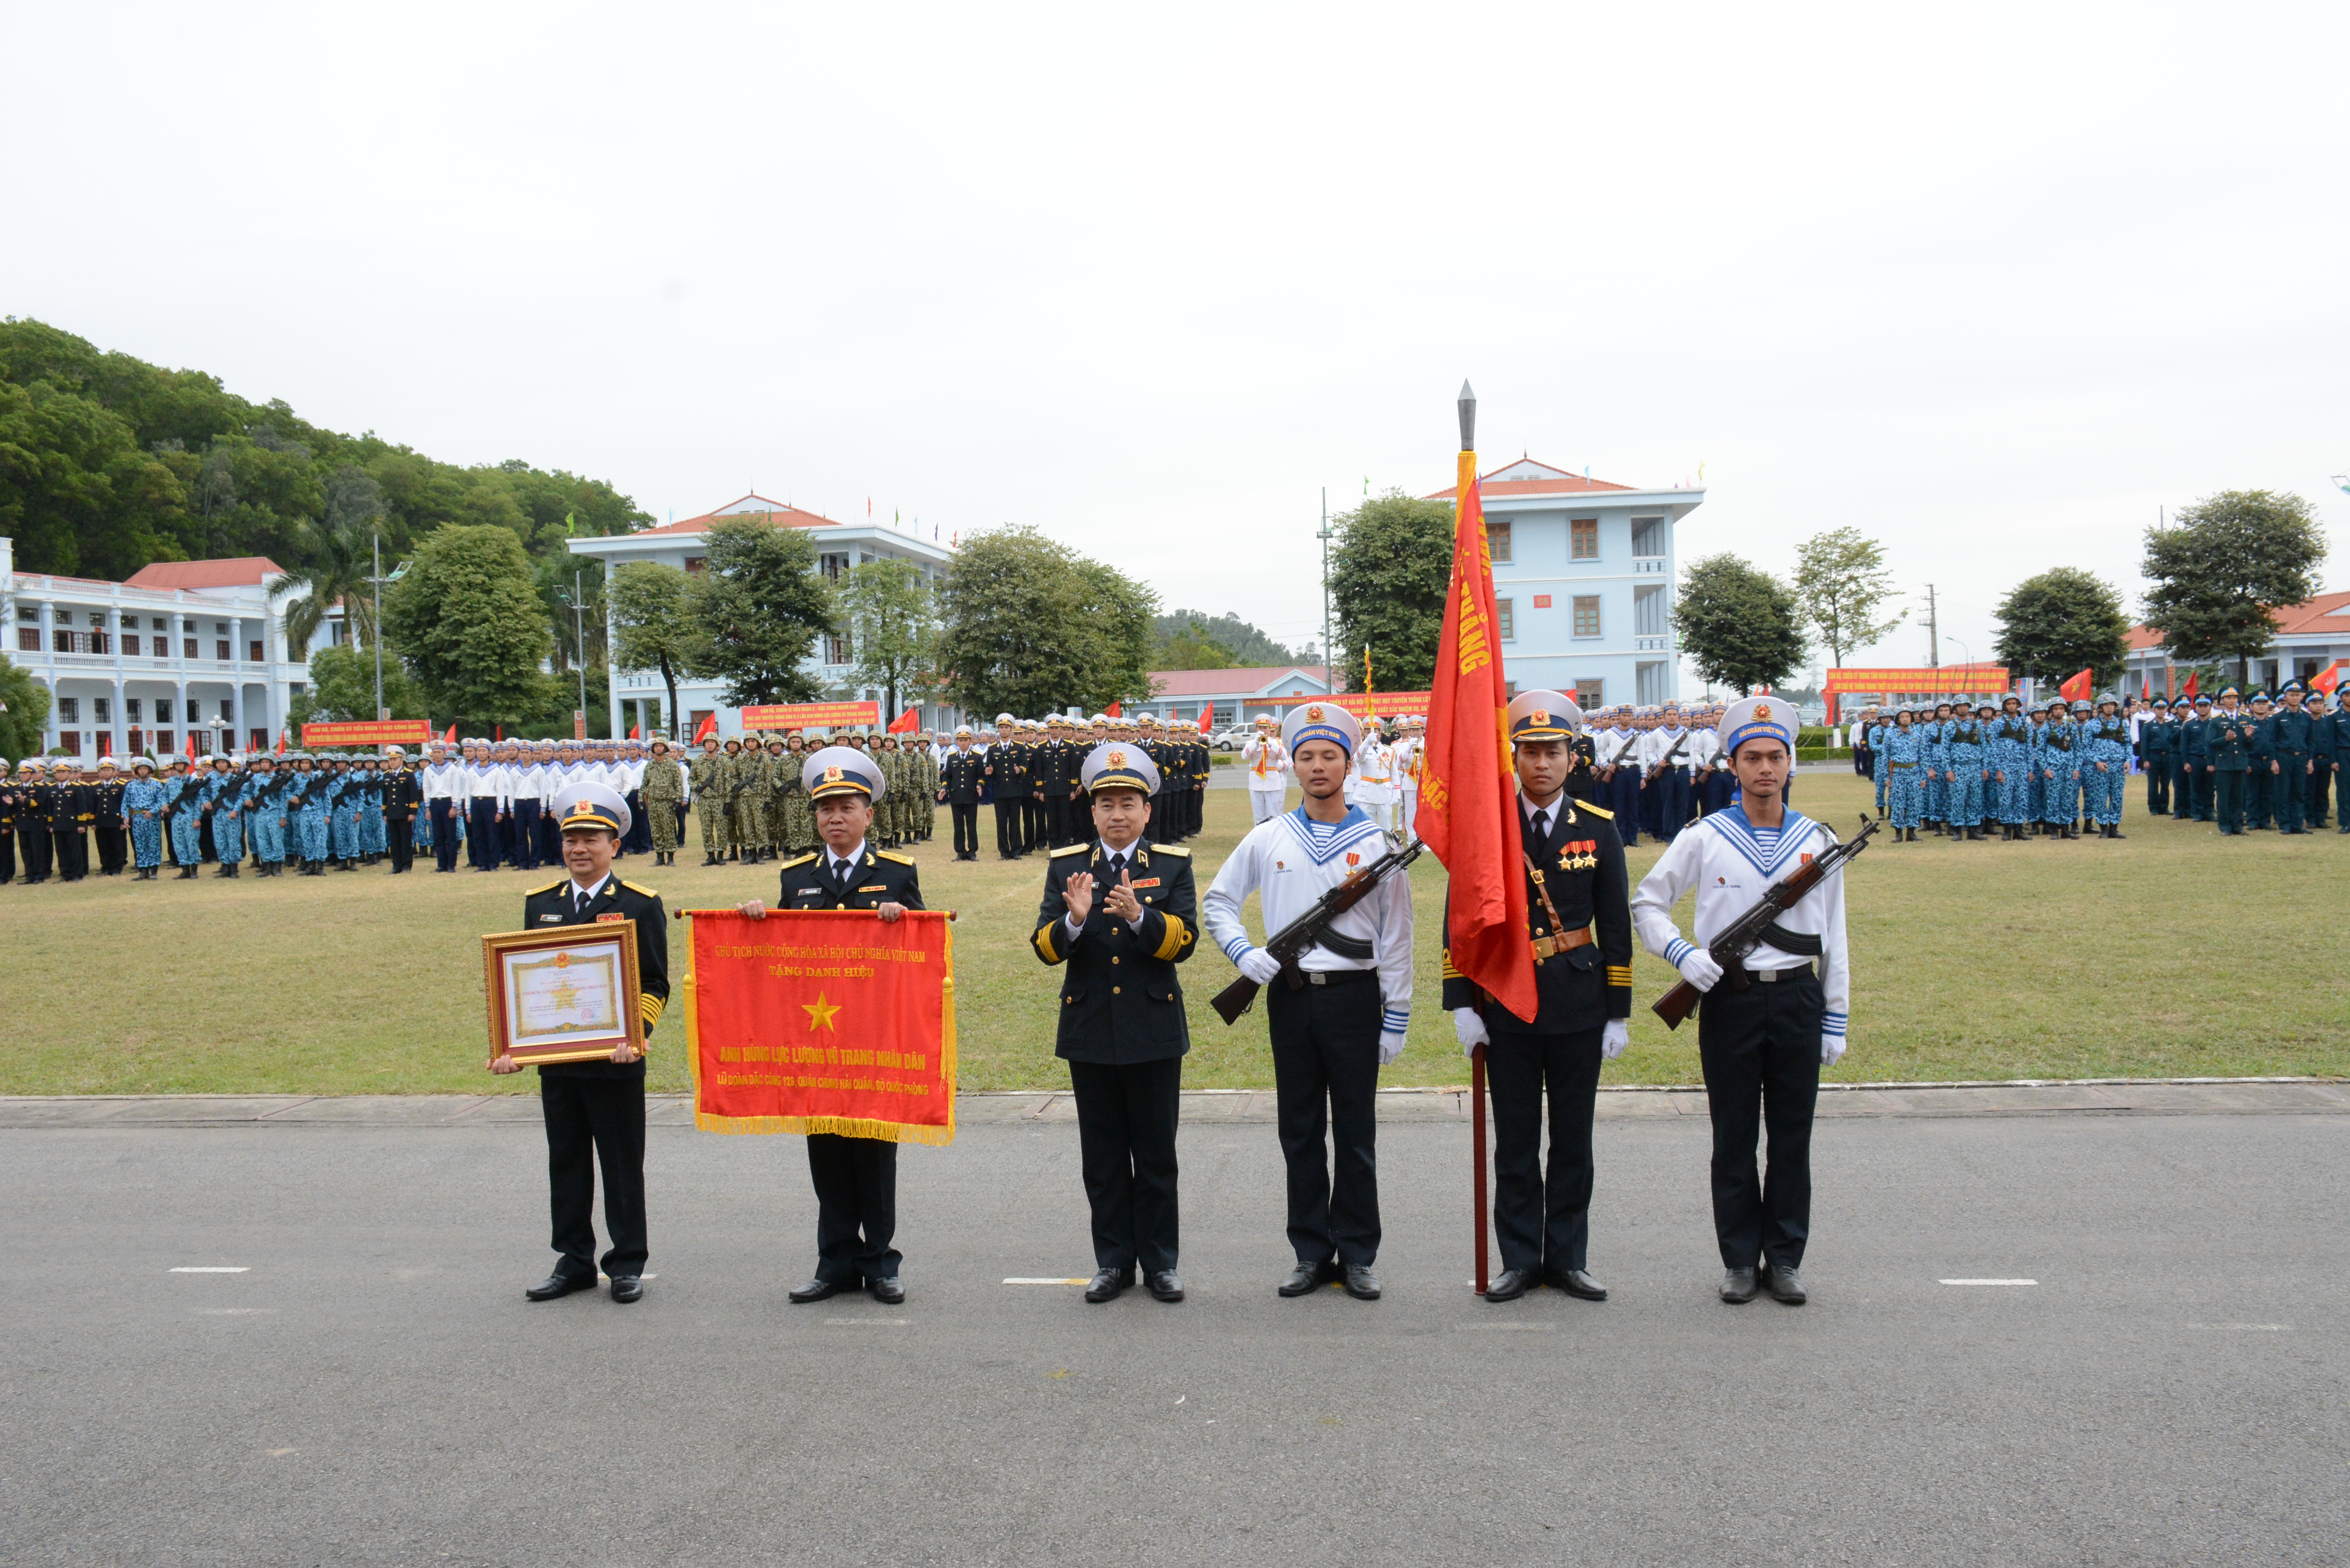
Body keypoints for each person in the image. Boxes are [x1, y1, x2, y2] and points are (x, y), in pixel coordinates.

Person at [1633, 697, 1850, 1306]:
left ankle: (1782, 1260)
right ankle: (1736, 1261)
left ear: (1789, 765)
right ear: (1733, 764)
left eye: (1774, 757)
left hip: (1796, 1000)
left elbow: (1834, 936)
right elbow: (1647, 904)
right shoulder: (1704, 836)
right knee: (1732, 1138)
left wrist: (1834, 1018)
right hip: (1728, 999)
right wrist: (1682, 955)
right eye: (1751, 757)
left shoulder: (1818, 841)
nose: (1764, 768)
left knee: (1790, 1138)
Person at [1202, 701, 1413, 1302]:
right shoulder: (1267, 836)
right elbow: (1218, 902)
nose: (1317, 766)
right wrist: (1245, 956)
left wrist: (1394, 1017)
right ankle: (1309, 1252)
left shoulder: (1378, 845)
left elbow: (1397, 938)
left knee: (1354, 1133)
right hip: (1291, 1001)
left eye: (1329, 756)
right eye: (1306, 756)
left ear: (1349, 763)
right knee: (1298, 1131)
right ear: (1292, 764)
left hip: (1353, 1002)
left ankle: (1358, 1255)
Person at [1447, 692, 1631, 1304]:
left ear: (1571, 757)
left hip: (1578, 1006)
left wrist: (1617, 1011)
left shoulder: (1597, 829)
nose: (1542, 763)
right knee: (1518, 1144)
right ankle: (1520, 1261)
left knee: (1573, 1143)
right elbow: (1461, 918)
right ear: (1514, 758)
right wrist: (1462, 1003)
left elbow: (1615, 925)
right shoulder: (1489, 830)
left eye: (1553, 751)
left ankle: (1568, 1260)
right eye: (1530, 752)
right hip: (1507, 1005)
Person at [736, 745, 921, 1305]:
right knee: (827, 1154)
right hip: (815, 1042)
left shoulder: (896, 873)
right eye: (825, 809)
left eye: (846, 807)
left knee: (874, 1154)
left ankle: (880, 1263)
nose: (834, 818)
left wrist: (903, 921)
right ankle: (834, 1261)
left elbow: (922, 950)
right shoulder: (796, 878)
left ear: (869, 814)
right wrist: (755, 923)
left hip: (874, 1040)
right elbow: (782, 957)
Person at [1031, 740, 1199, 1304]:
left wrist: (1141, 917)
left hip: (1152, 1031)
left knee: (1155, 1157)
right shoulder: (1066, 867)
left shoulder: (1172, 865)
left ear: (1147, 810)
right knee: (1102, 1159)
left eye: (1129, 802)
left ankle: (1160, 1264)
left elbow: (1185, 943)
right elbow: (1043, 948)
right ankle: (1111, 1263)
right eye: (1107, 804)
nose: (1118, 814)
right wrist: (1073, 923)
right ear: (1091, 810)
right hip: (1091, 1032)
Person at [492, 782, 668, 1305]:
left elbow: (655, 982)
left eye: (592, 838)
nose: (579, 849)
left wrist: (634, 1037)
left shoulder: (639, 905)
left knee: (620, 1166)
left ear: (614, 845)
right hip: (560, 1063)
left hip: (615, 1063)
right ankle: (572, 1261)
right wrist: (512, 1046)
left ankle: (626, 1263)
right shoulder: (540, 905)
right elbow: (526, 984)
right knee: (565, 1162)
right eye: (571, 838)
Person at [2267, 681, 2314, 835]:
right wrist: (2274, 761)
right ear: (2285, 697)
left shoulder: (2307, 717)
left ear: (2302, 697)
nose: (2295, 698)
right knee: (2283, 792)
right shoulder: (2278, 717)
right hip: (2284, 757)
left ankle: (2298, 824)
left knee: (2299, 792)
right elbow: (2272, 740)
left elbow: (2310, 740)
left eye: (2297, 695)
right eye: (2291, 695)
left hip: (2301, 757)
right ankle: (2285, 824)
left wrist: (2310, 760)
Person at [2206, 688, 2252, 835]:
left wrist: (2248, 737)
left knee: (2238, 797)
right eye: (2228, 698)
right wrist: (2225, 739)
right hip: (2224, 763)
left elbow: (2251, 745)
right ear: (2222, 701)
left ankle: (2238, 825)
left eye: (2234, 698)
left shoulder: (2246, 718)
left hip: (2240, 763)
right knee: (2224, 797)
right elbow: (2210, 742)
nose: (2232, 701)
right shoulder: (2216, 720)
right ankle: (2225, 826)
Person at [985, 714, 1028, 861]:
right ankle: (1004, 852)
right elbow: (989, 768)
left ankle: (1016, 851)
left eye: (1007, 728)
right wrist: (989, 773)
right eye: (1002, 728)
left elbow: (1025, 766)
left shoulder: (1019, 748)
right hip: (1000, 791)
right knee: (1001, 823)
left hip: (1015, 790)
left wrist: (1020, 770)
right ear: (999, 730)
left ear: (1011, 730)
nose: (1004, 730)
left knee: (1015, 822)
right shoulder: (992, 749)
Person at [939, 725, 984, 860]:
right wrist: (944, 788)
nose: (963, 743)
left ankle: (972, 851)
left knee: (971, 825)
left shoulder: (977, 757)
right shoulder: (952, 757)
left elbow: (981, 776)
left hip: (971, 796)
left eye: (966, 740)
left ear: (970, 741)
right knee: (958, 826)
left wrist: (979, 785)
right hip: (956, 796)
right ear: (957, 742)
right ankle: (960, 851)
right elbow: (948, 776)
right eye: (961, 740)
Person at [121, 755, 168, 879]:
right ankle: (143, 870)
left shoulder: (156, 785)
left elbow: (162, 800)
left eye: (145, 769)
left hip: (152, 818)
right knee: (140, 844)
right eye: (140, 769)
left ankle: (154, 871)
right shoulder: (131, 786)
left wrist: (152, 811)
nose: (142, 771)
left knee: (154, 843)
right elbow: (125, 803)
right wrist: (125, 816)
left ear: (150, 771)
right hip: (137, 818)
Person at [1241, 716, 1291, 826]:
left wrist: (1270, 743)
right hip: (1256, 782)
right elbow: (1244, 756)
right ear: (1256, 729)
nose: (1263, 730)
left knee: (1273, 815)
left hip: (1272, 782)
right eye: (1260, 727)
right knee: (1258, 815)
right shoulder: (1251, 743)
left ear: (1270, 729)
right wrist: (1256, 743)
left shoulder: (1277, 743)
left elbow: (1283, 756)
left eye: (1266, 728)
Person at [90, 757, 128, 875]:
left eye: (109, 770)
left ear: (114, 772)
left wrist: (123, 821)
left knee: (117, 845)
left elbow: (124, 804)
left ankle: (117, 868)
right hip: (101, 820)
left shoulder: (121, 786)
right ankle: (106, 867)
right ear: (99, 772)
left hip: (116, 821)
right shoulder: (95, 787)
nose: (106, 772)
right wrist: (93, 822)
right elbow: (92, 805)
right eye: (104, 770)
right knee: (103, 846)